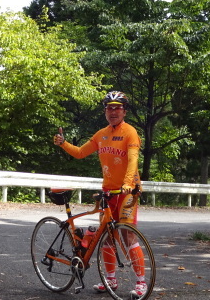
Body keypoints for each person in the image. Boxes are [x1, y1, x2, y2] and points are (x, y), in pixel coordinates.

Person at [53, 91, 147, 297]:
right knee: (107, 237)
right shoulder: (101, 134)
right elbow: (79, 153)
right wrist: (63, 144)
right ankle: (110, 280)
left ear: (124, 111)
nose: (113, 112)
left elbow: (132, 160)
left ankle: (141, 283)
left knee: (128, 236)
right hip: (108, 191)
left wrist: (127, 183)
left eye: (118, 108)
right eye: (109, 108)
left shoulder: (130, 133)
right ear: (105, 111)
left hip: (127, 190)